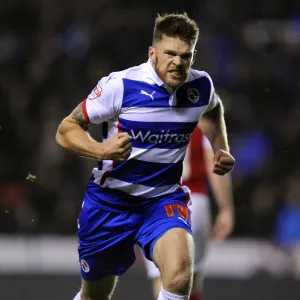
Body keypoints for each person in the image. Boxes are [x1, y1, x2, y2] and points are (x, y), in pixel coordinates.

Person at [56, 12, 235, 300]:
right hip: (110, 203)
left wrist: (220, 147)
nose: (178, 62)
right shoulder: (121, 86)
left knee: (179, 277)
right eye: (170, 54)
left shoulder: (201, 87)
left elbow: (213, 110)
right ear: (153, 53)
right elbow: (66, 130)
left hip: (161, 200)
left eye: (186, 56)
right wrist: (101, 149)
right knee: (95, 295)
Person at [142, 123, 234, 300]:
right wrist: (226, 208)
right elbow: (213, 163)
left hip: (155, 204)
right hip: (194, 204)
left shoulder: (144, 121)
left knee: (163, 280)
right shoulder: (200, 124)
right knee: (192, 281)